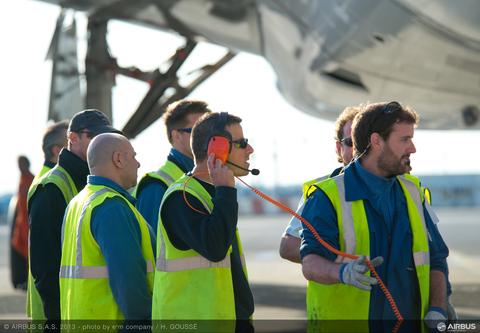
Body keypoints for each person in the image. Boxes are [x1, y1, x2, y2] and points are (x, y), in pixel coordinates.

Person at [300, 102, 449, 331]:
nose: (413, 148)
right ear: (377, 141)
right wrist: (342, 273)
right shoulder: (326, 197)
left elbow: (436, 258)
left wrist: (438, 308)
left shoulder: (413, 192)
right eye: (404, 139)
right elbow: (309, 263)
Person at [152, 112, 255, 331]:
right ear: (216, 149)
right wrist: (226, 191)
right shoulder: (183, 197)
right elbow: (215, 247)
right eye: (242, 143)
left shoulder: (210, 194)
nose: (250, 150)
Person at [27, 109, 120, 322]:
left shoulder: (90, 180)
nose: (102, 142)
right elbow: (45, 266)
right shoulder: (51, 187)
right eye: (94, 136)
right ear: (73, 138)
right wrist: (56, 320)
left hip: (83, 311)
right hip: (59, 314)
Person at [60, 133, 155, 320]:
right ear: (118, 159)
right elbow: (130, 286)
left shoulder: (77, 202)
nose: (138, 164)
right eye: (134, 156)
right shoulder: (111, 207)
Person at [279, 106, 359, 263]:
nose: (357, 150)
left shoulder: (404, 188)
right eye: (350, 142)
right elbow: (288, 246)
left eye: (364, 142)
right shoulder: (322, 190)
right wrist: (341, 261)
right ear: (338, 147)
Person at [136, 100, 211, 233]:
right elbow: (151, 246)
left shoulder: (210, 178)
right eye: (199, 131)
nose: (209, 138)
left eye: (211, 132)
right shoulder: (156, 186)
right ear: (176, 136)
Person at [26, 120, 68, 317]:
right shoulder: (48, 186)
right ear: (57, 150)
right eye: (70, 141)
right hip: (49, 308)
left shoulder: (50, 179)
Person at [10, 156, 34, 289]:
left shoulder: (31, 179)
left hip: (28, 224)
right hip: (21, 224)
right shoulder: (22, 179)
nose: (20, 166)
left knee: (30, 253)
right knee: (21, 250)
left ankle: (29, 281)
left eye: (22, 163)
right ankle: (24, 279)